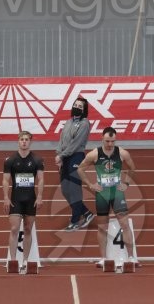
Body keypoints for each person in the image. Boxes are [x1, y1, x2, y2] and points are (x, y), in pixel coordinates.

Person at [78, 127, 138, 267]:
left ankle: (131, 257)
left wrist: (126, 183)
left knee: (124, 224)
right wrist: (90, 185)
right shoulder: (94, 154)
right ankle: (104, 258)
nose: (110, 144)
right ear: (102, 139)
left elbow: (132, 168)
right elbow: (80, 169)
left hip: (117, 192)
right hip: (102, 194)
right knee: (102, 227)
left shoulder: (122, 153)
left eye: (112, 141)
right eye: (107, 141)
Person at [3, 131, 45, 272]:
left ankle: (25, 261)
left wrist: (39, 197)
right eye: (22, 139)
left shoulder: (37, 160)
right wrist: (6, 197)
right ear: (18, 141)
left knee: (28, 229)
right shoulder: (10, 160)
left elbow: (41, 179)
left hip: (30, 199)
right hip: (16, 198)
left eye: (27, 139)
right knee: (14, 228)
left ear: (30, 142)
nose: (24, 142)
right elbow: (5, 180)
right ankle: (13, 261)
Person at [55, 96, 95, 231]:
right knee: (65, 190)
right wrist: (59, 154)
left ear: (84, 110)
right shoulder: (68, 121)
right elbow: (61, 139)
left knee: (74, 190)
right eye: (75, 105)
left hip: (76, 157)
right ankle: (87, 213)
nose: (76, 108)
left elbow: (75, 143)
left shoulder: (84, 123)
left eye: (80, 107)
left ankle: (74, 221)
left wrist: (62, 155)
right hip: (65, 157)